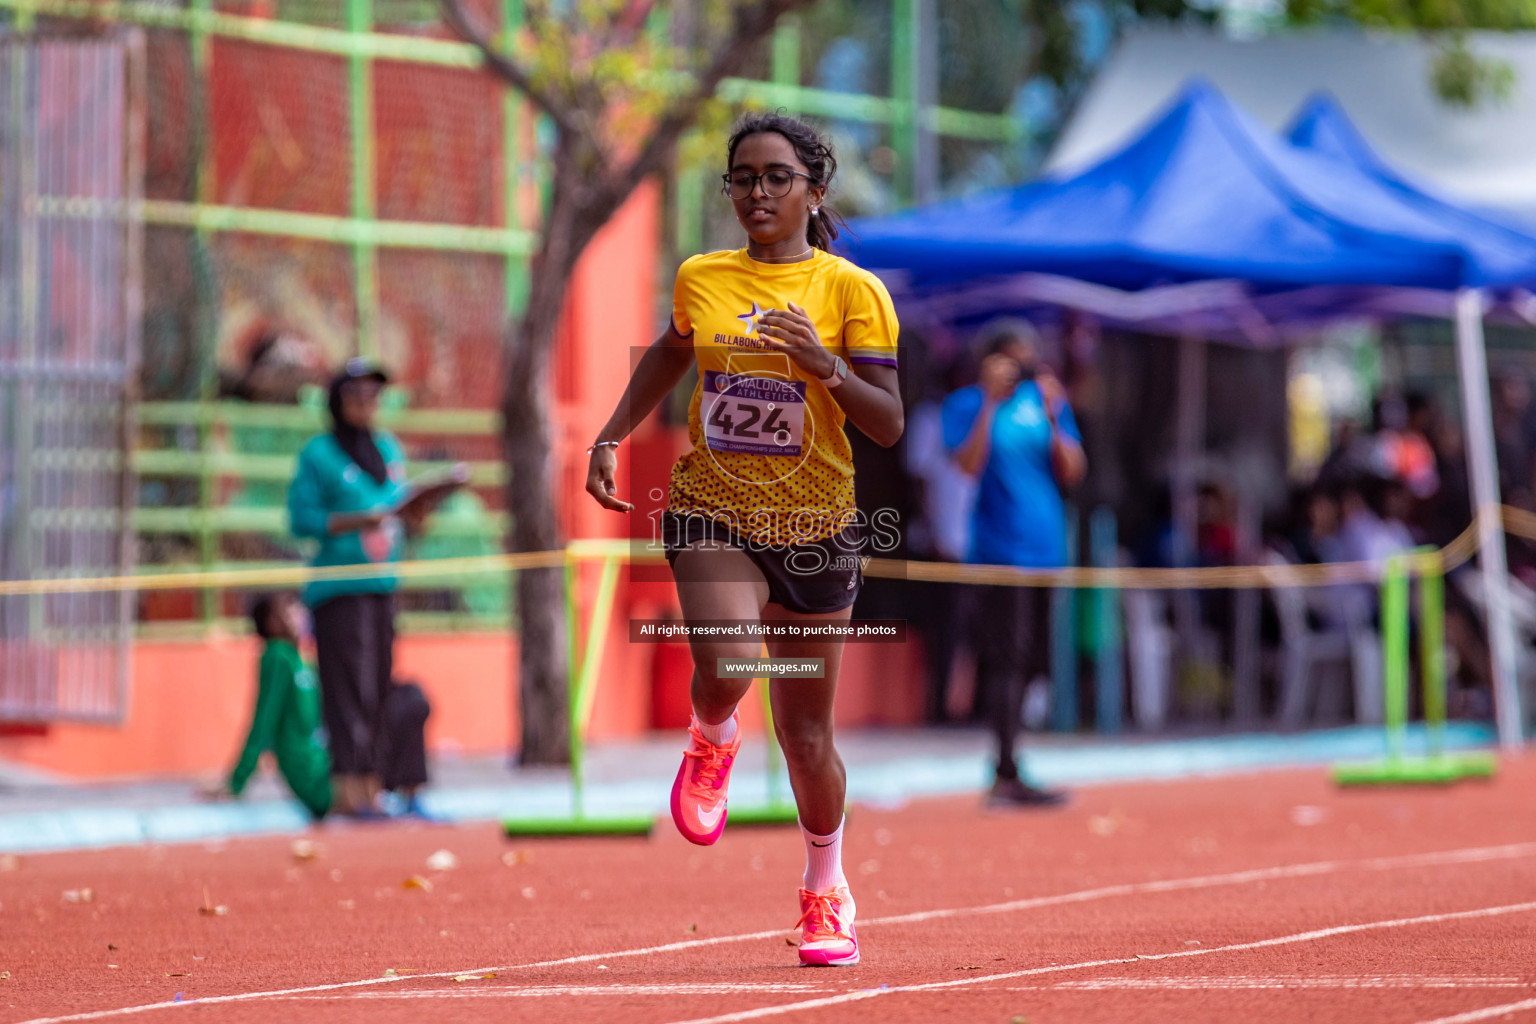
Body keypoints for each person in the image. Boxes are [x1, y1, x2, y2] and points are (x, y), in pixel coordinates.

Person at [584, 113, 902, 967]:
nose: (756, 193)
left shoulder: (852, 293)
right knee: (728, 663)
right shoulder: (703, 278)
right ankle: (713, 733)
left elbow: (888, 425)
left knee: (806, 735)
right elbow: (668, 352)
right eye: (742, 179)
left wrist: (825, 367)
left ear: (813, 190)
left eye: (775, 177)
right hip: (712, 507)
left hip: (815, 526)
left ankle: (825, 889)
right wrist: (611, 434)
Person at [943, 325, 1086, 807]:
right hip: (999, 552)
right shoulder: (967, 404)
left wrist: (1051, 411)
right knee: (1007, 656)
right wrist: (988, 401)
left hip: (1046, 549)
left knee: (1033, 658)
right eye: (1012, 361)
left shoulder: (1045, 402)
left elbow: (1074, 469)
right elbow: (965, 465)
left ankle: (1012, 762)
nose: (1021, 370)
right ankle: (1004, 768)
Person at [286, 359, 434, 819]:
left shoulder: (387, 450)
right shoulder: (319, 454)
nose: (366, 405)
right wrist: (358, 521)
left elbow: (400, 510)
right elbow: (301, 520)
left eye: (374, 396)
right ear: (337, 401)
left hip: (381, 586)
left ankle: (374, 788)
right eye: (356, 395)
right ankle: (348, 791)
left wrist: (417, 513)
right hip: (338, 590)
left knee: (377, 688)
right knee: (346, 688)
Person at [212, 592, 331, 819]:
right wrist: (237, 782)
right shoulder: (276, 656)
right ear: (272, 623)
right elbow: (263, 721)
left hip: (324, 759)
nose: (298, 614)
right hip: (308, 769)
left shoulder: (300, 659)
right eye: (288, 611)